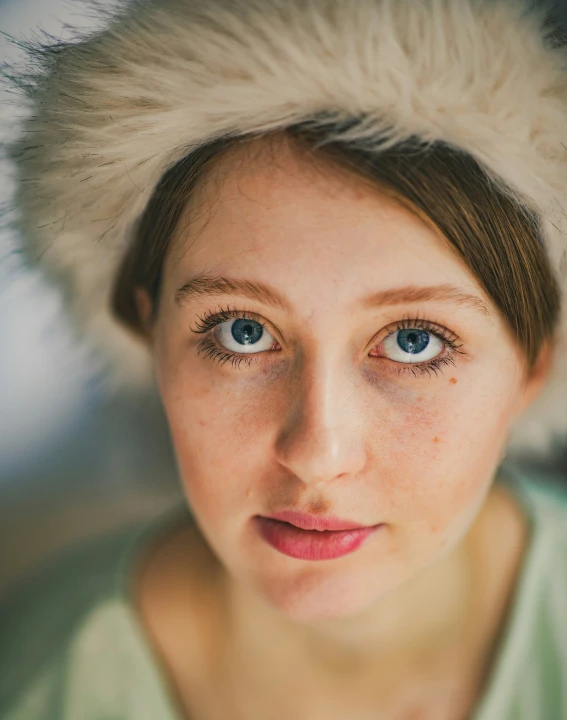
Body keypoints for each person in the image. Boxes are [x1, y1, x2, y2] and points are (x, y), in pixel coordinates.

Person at [1, 0, 567, 718]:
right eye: (241, 332)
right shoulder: (36, 681)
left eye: (413, 341)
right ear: (151, 335)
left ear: (532, 367)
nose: (316, 453)